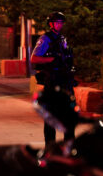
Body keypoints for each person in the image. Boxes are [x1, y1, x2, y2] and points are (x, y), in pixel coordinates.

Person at [31, 11, 76, 147]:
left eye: (61, 22)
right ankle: (50, 146)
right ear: (51, 24)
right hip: (53, 79)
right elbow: (34, 58)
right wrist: (52, 59)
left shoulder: (62, 39)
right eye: (57, 22)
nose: (59, 25)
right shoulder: (45, 39)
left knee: (69, 113)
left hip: (65, 79)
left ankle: (69, 145)